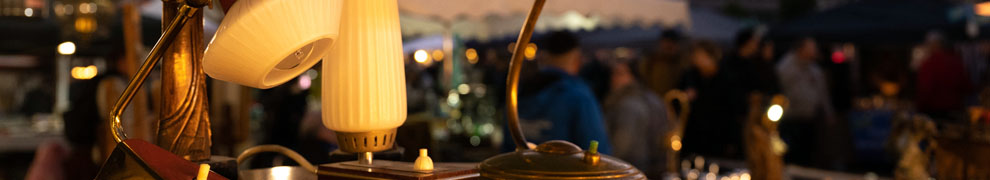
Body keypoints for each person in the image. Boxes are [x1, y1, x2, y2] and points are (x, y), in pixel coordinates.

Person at [503, 31, 612, 154]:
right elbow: (597, 152)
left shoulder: (518, 93)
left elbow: (507, 148)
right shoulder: (578, 96)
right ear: (576, 60)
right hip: (565, 172)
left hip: (520, 170)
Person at [678, 40, 744, 158]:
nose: (696, 59)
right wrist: (684, 97)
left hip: (719, 135)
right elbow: (676, 101)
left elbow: (735, 110)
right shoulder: (690, 76)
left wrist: (732, 140)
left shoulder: (727, 78)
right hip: (694, 135)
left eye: (700, 56)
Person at [603, 61, 669, 177]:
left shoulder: (627, 105)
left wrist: (604, 165)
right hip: (654, 168)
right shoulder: (653, 98)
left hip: (631, 168)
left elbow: (621, 144)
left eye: (620, 74)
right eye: (613, 73)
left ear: (633, 76)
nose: (613, 78)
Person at [775, 37, 833, 166]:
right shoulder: (786, 67)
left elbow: (822, 92)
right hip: (791, 119)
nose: (814, 51)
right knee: (793, 155)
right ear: (801, 49)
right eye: (811, 48)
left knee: (808, 154)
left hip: (810, 117)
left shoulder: (814, 69)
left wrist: (828, 111)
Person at [916, 32, 971, 119]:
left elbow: (925, 89)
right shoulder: (956, 62)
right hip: (955, 110)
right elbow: (967, 86)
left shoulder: (929, 64)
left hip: (934, 112)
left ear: (935, 45)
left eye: (928, 45)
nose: (927, 47)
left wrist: (919, 108)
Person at [639, 30, 688, 98]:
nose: (669, 45)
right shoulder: (651, 61)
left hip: (673, 102)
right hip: (654, 101)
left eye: (672, 42)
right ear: (661, 43)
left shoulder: (682, 62)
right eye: (667, 42)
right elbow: (643, 81)